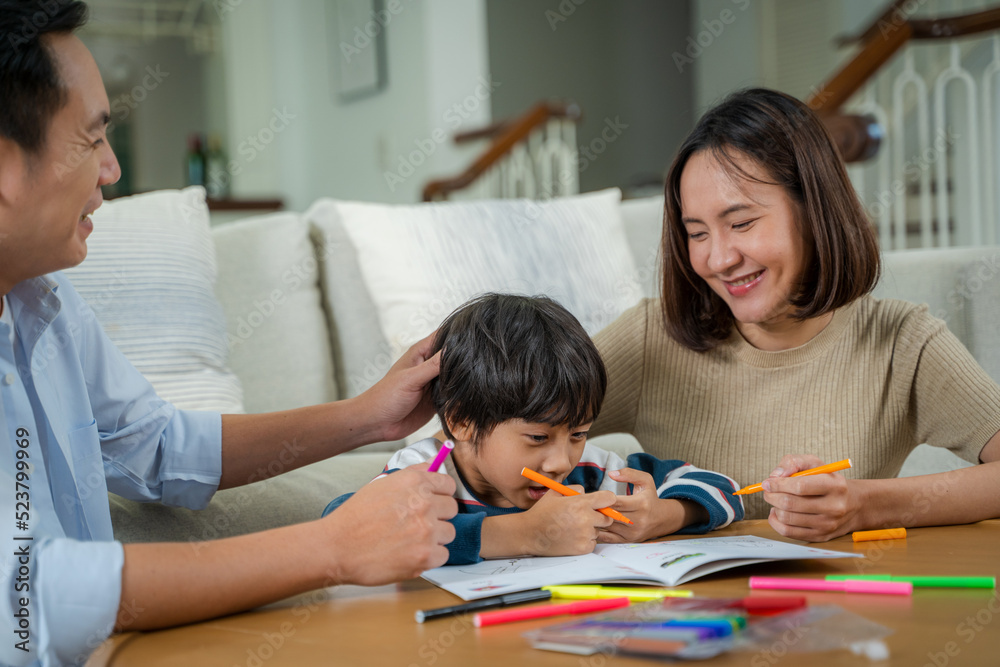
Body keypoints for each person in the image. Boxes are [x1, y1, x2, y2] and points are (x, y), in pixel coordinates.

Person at [0, 2, 457, 664]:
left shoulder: (44, 300)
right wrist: (329, 546)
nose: (112, 170)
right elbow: (28, 597)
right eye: (91, 138)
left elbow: (153, 443)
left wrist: (365, 418)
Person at [592, 87, 1000, 542]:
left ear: (813, 209)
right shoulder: (651, 337)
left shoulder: (902, 341)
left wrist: (864, 505)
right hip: (687, 611)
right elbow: (504, 431)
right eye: (697, 233)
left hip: (838, 607)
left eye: (742, 223)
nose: (719, 258)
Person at [324, 294, 744, 564]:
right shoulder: (426, 475)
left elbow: (728, 490)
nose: (562, 460)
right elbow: (340, 523)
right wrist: (523, 534)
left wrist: (665, 514)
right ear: (462, 421)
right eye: (538, 438)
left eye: (578, 433)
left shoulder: (594, 473)